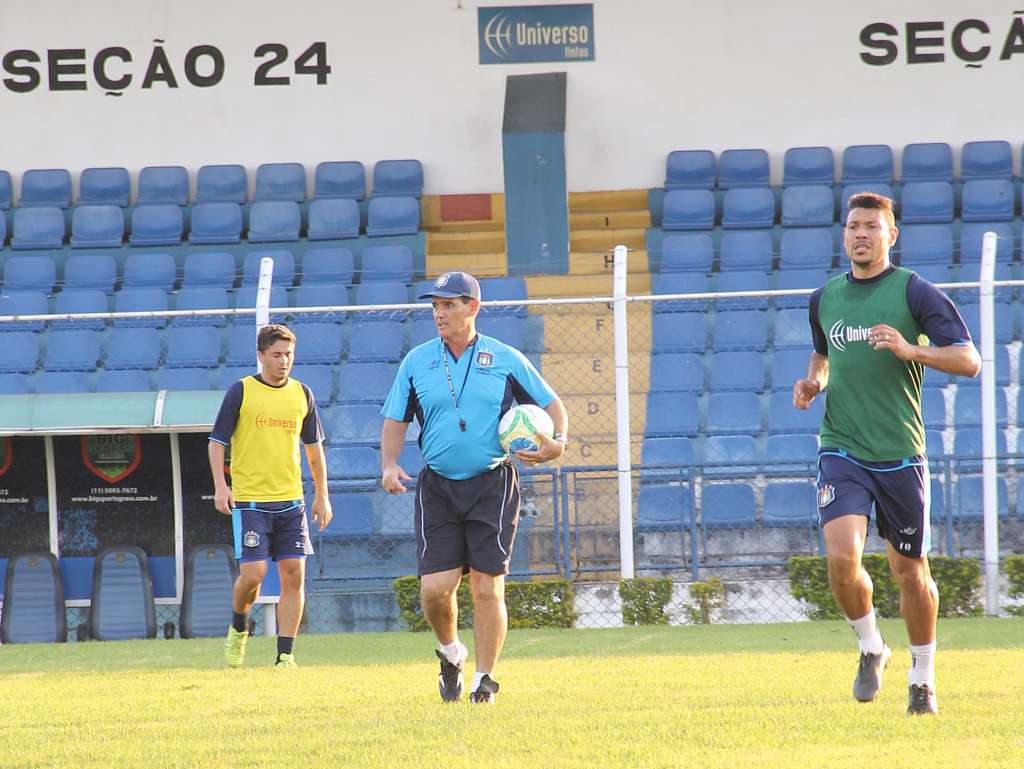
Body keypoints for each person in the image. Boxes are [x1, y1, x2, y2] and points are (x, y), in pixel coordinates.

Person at [793, 192, 980, 715]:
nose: (861, 234)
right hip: (842, 447)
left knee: (910, 571)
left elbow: (969, 360)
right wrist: (813, 382)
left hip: (900, 452)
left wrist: (910, 349)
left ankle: (922, 678)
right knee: (841, 558)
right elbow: (823, 354)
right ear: (844, 234)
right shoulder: (824, 298)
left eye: (872, 226)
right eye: (854, 225)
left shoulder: (914, 291)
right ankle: (872, 646)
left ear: (890, 235)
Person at [380, 271, 568, 704]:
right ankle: (451, 654)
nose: (439, 313)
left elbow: (552, 404)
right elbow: (395, 419)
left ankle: (485, 680)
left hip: (492, 484)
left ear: (473, 307)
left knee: (487, 586)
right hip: (438, 488)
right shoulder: (416, 362)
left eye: (449, 305)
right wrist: (389, 464)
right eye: (435, 306)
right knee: (435, 591)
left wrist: (558, 443)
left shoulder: (505, 358)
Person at [209, 324, 332, 669]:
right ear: (261, 355)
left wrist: (322, 494)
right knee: (254, 574)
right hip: (250, 501)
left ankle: (285, 655)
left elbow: (314, 450)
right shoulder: (241, 391)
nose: (284, 361)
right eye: (277, 354)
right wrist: (221, 485)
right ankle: (238, 627)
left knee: (294, 574)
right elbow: (217, 443)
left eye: (289, 354)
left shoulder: (302, 394)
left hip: (291, 501)